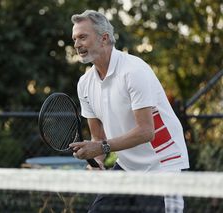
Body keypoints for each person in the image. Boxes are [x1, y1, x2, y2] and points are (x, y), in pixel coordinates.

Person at [69, 10, 190, 213]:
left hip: (162, 166)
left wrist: (100, 149)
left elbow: (146, 132)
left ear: (104, 38)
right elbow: (97, 138)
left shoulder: (134, 71)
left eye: (83, 37)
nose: (76, 44)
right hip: (127, 166)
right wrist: (96, 163)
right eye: (74, 39)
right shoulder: (84, 84)